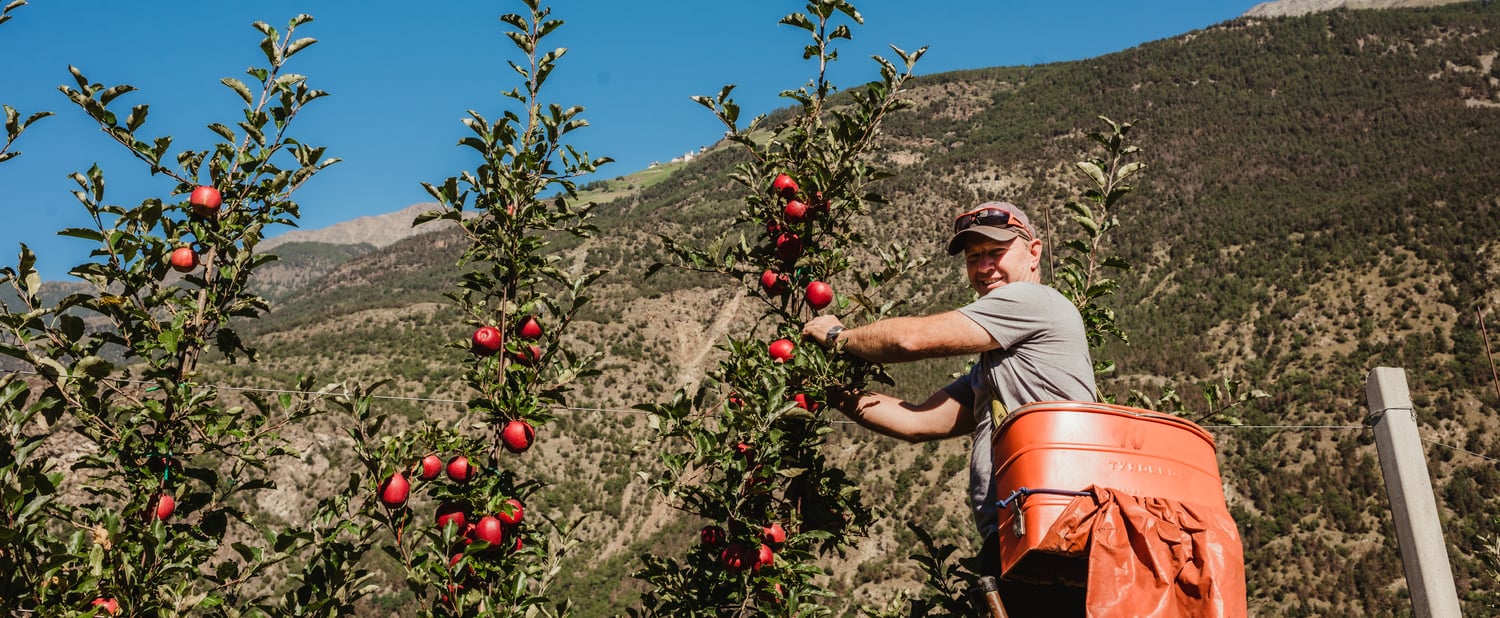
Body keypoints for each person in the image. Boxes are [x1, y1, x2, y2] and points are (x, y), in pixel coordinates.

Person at [801, 201, 1096, 614]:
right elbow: (916, 421)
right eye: (974, 258)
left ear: (1033, 253)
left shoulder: (1032, 301)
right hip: (1022, 538)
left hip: (1053, 534)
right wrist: (826, 389)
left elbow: (911, 340)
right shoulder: (996, 371)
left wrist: (837, 336)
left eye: (996, 252)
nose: (985, 266)